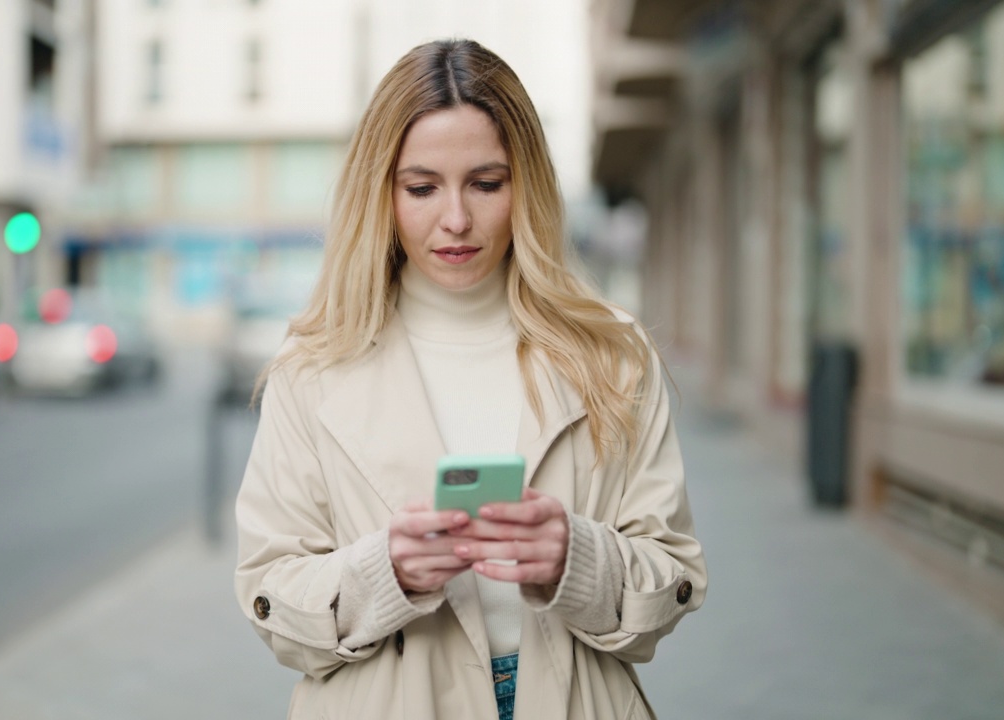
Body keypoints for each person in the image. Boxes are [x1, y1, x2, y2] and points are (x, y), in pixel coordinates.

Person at [234, 38, 706, 720]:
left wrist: (580, 558)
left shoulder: (614, 353)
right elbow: (270, 596)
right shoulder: (311, 370)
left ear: (527, 185)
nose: (455, 218)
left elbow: (674, 577)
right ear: (382, 191)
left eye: (486, 183)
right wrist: (382, 574)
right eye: (421, 187)